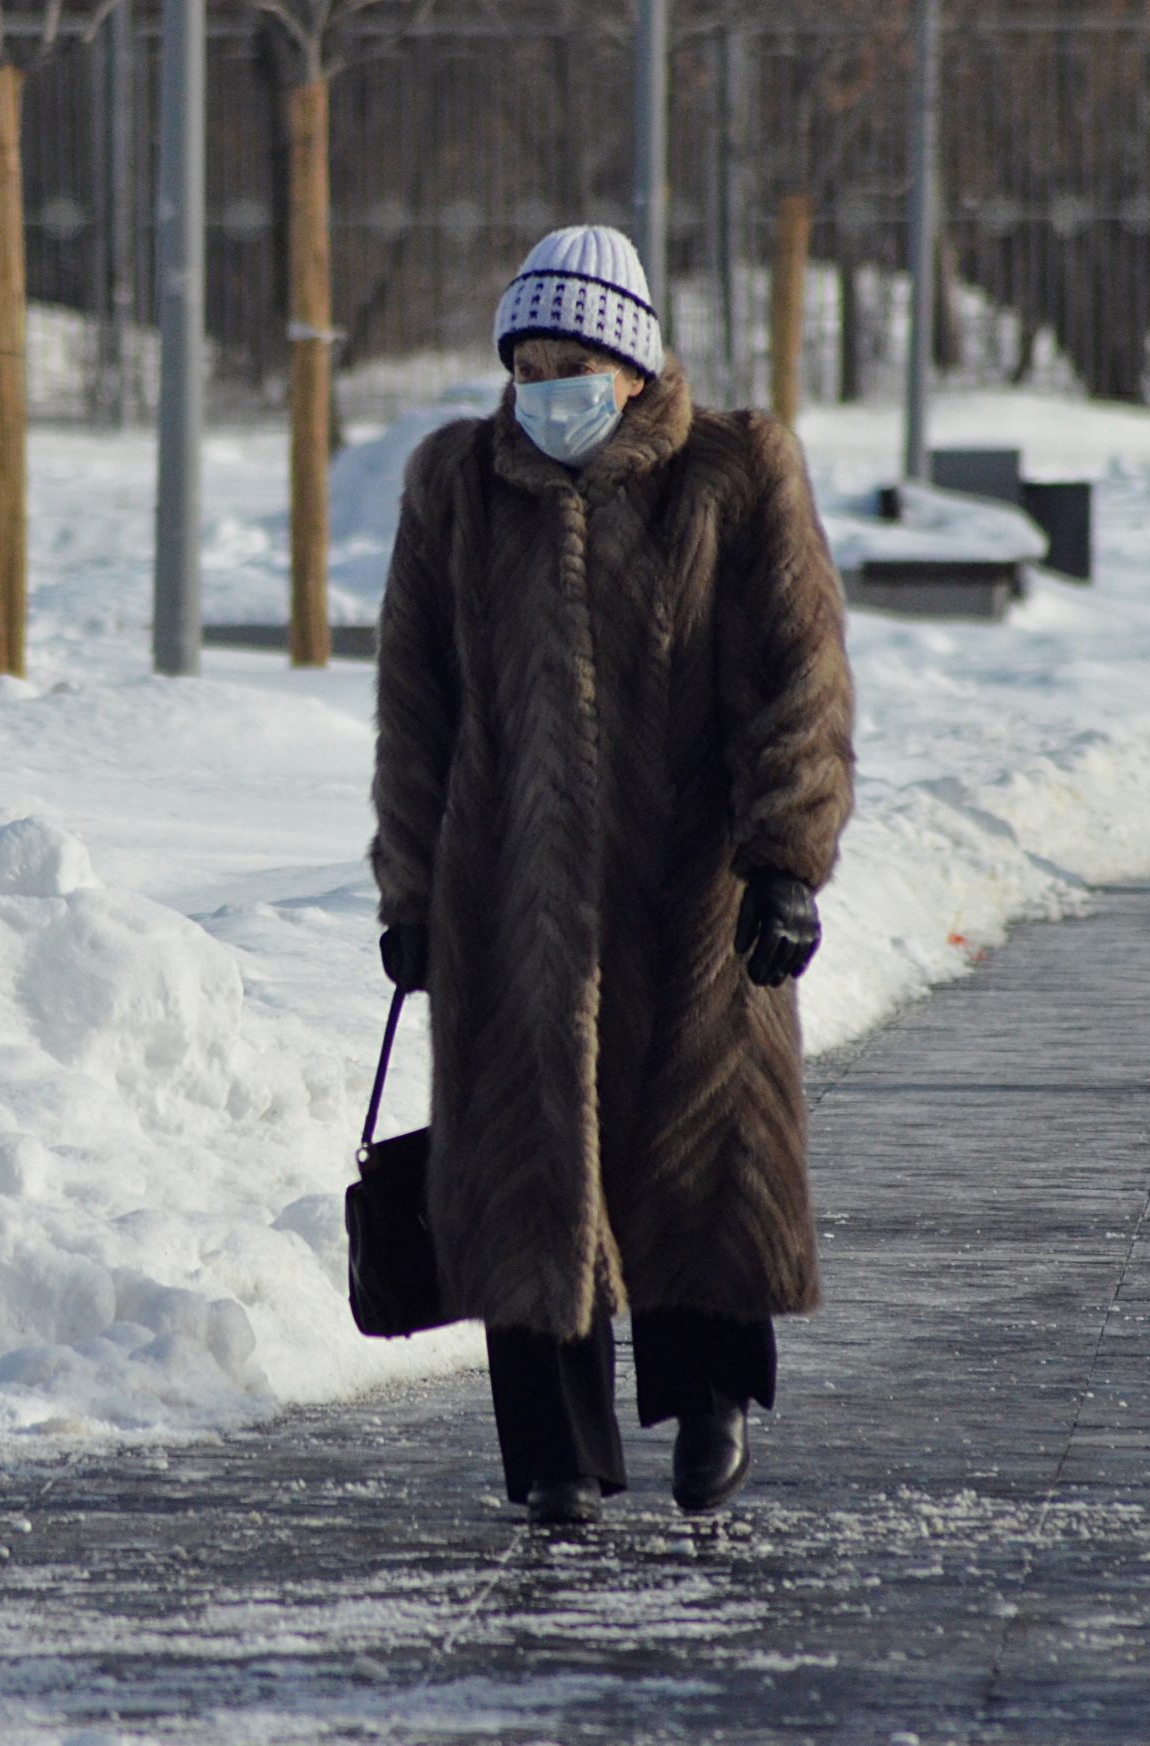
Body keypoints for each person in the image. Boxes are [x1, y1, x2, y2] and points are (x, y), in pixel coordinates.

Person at [368, 225, 856, 1525]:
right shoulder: (458, 485)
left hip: (690, 890)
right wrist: (409, 891)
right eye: (525, 364)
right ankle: (555, 1460)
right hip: (507, 897)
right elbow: (417, 708)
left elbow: (798, 681)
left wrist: (785, 858)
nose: (545, 388)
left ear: (634, 365)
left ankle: (711, 1408)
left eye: (571, 360)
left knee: (703, 1153)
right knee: (526, 1169)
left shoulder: (734, 474)